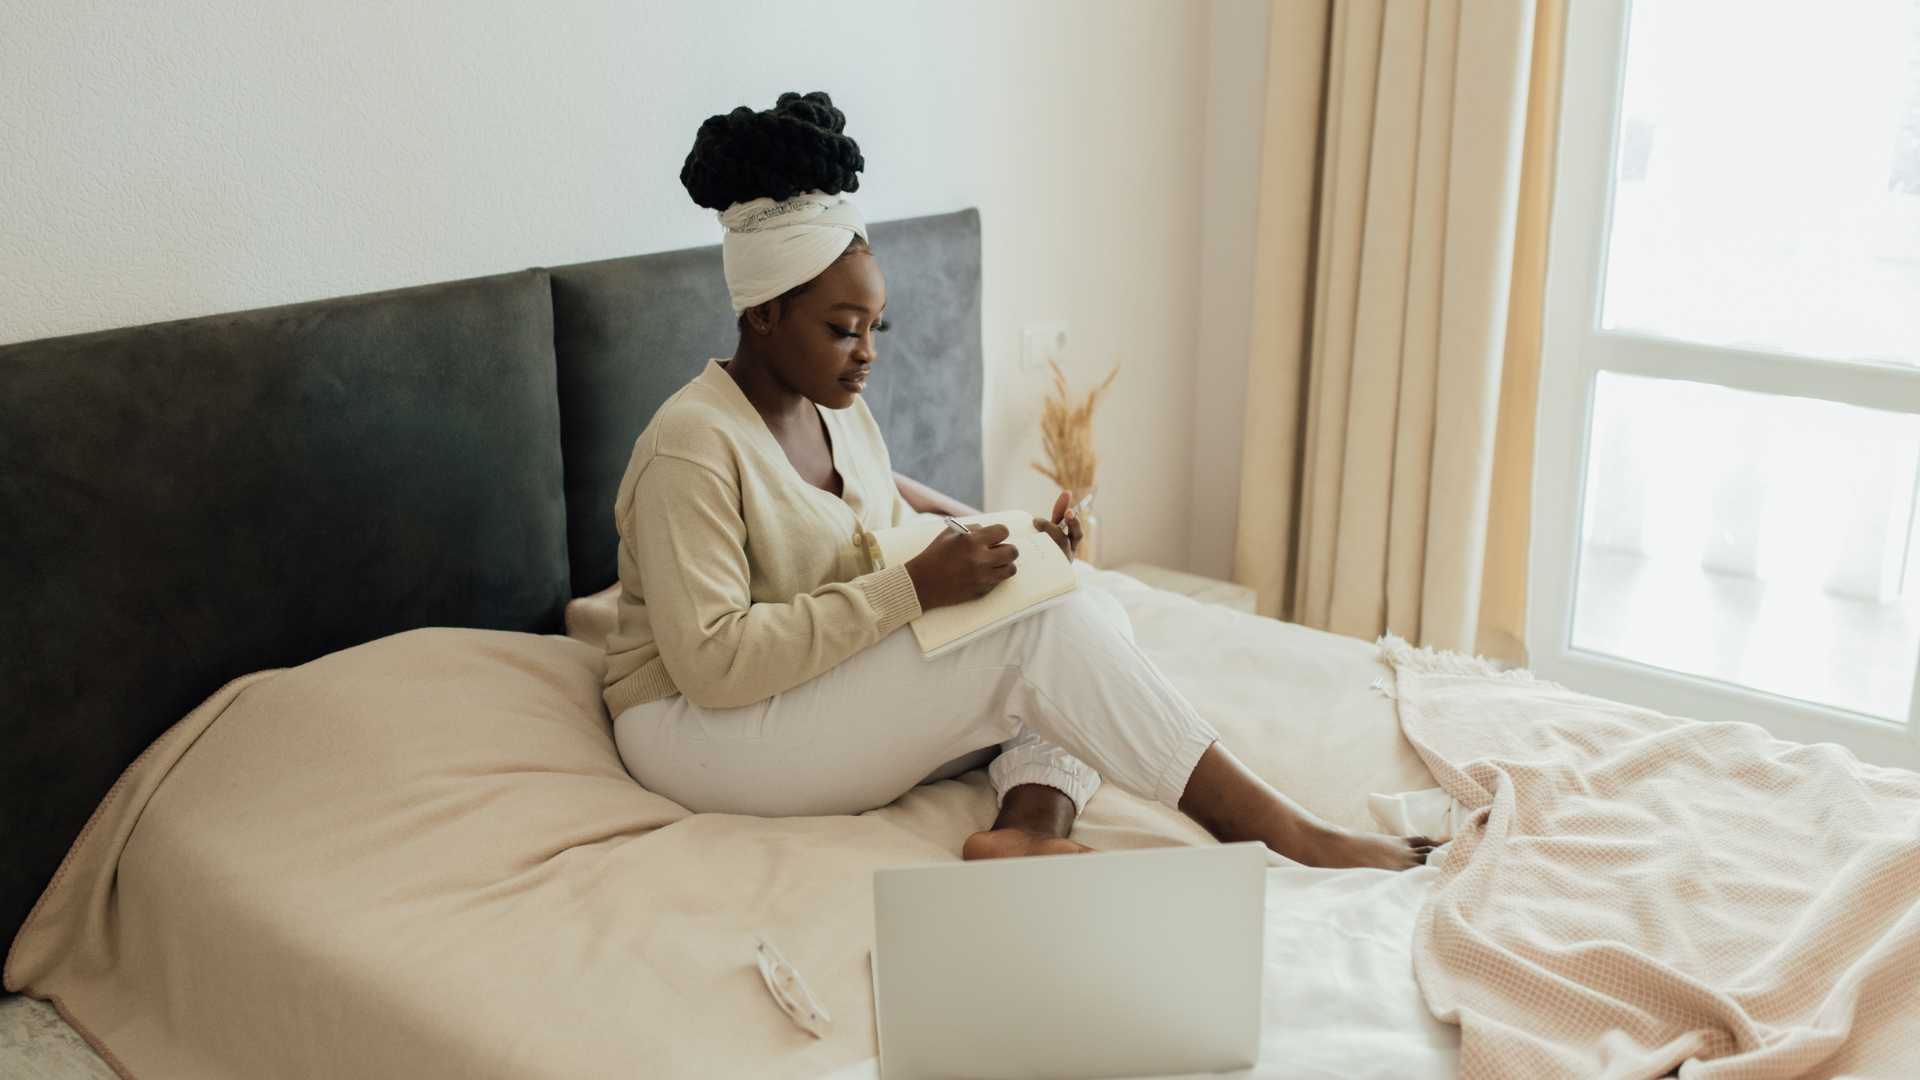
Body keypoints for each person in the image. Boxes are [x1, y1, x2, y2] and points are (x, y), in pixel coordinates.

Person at [604, 91, 1431, 869]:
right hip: (694, 729)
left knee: (1087, 606)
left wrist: (1015, 548)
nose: (869, 354)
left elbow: (884, 525)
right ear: (762, 313)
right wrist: (914, 593)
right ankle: (1280, 830)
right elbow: (714, 661)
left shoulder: (838, 410)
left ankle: (1031, 827)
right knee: (1042, 638)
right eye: (843, 330)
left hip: (789, 690)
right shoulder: (692, 446)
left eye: (875, 327)